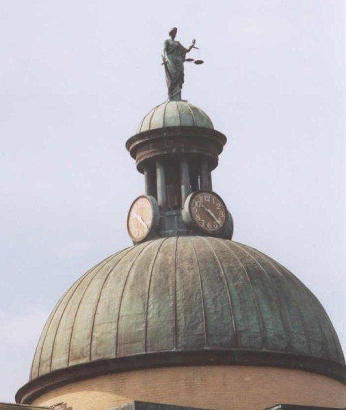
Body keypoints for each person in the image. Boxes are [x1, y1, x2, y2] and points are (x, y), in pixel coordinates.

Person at [162, 27, 196, 101]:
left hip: (178, 62)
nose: (175, 34)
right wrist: (164, 59)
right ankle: (171, 96)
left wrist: (192, 45)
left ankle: (177, 96)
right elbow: (164, 51)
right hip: (170, 61)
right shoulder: (167, 41)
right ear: (171, 33)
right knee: (171, 77)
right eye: (173, 32)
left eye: (175, 33)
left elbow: (186, 50)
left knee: (179, 77)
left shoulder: (177, 43)